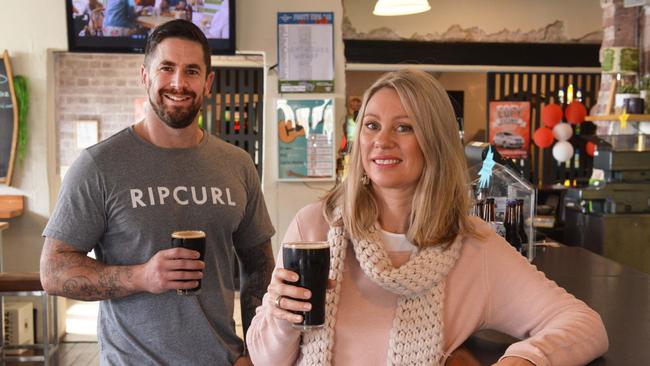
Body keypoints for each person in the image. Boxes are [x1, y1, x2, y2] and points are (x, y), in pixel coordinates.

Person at [246, 69, 608, 365]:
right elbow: (265, 360)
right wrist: (281, 315)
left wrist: (525, 360)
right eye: (371, 125)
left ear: (435, 140)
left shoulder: (472, 247)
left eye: (404, 127)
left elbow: (584, 325)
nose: (382, 140)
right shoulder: (314, 227)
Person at [40, 19, 275, 366]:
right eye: (167, 68)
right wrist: (142, 276)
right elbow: (53, 270)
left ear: (208, 82)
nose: (179, 83)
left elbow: (259, 266)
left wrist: (257, 350)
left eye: (192, 71)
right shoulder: (99, 165)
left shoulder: (237, 165)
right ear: (145, 76)